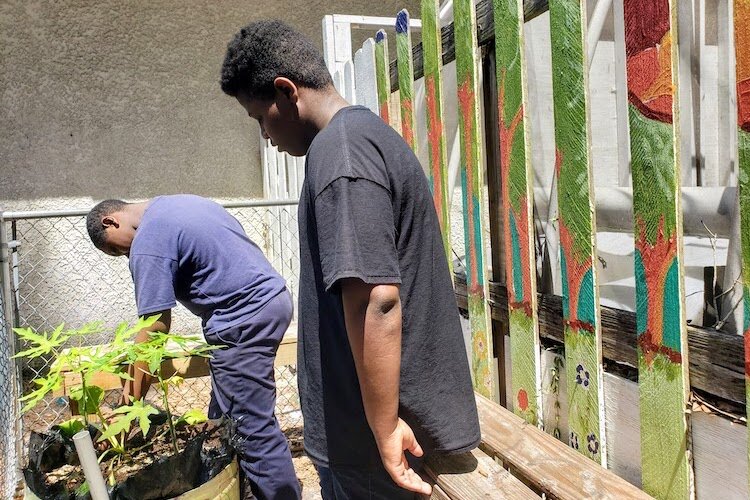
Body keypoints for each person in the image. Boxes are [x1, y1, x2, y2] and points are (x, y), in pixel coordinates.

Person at [221, 20, 481, 499]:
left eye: (261, 117)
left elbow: (376, 301)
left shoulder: (342, 155)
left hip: (371, 450)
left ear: (286, 92)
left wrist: (383, 431)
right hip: (368, 439)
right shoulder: (358, 139)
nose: (265, 135)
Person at [86, 194, 301, 500]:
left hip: (242, 318)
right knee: (224, 415)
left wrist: (128, 408)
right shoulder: (178, 203)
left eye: (114, 248)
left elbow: (154, 327)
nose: (124, 254)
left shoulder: (147, 241)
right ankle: (243, 490)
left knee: (250, 427)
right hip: (272, 300)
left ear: (111, 221)